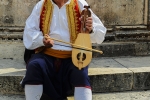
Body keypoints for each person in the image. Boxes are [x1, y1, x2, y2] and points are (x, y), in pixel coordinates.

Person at [21, 0, 107, 100]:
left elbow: (100, 35)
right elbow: (29, 32)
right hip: (47, 54)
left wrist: (91, 29)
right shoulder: (42, 5)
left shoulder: (80, 4)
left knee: (81, 72)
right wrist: (42, 40)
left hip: (73, 55)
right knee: (34, 66)